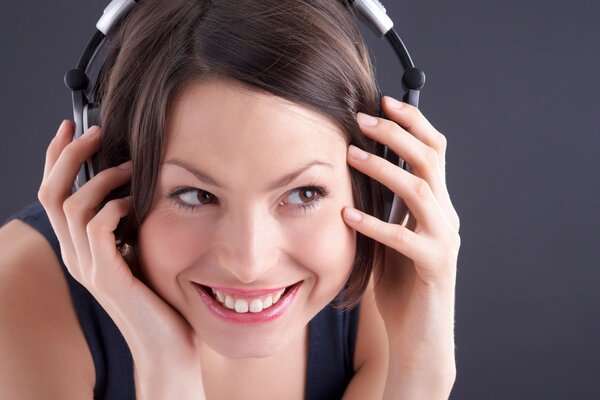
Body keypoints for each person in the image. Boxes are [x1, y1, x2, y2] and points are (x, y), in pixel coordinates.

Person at [0, 0, 460, 398]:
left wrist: (422, 366)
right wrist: (165, 365)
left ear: (377, 178)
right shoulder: (18, 297)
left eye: (303, 193)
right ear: (105, 180)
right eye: (196, 195)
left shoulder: (383, 290)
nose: (249, 262)